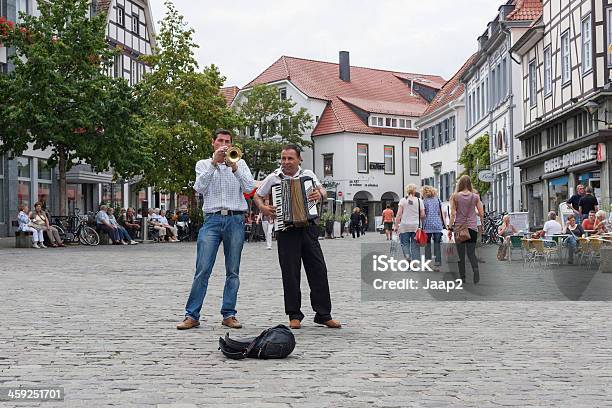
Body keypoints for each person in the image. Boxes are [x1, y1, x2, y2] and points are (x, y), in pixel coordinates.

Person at [254, 144, 341, 330]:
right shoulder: (273, 178)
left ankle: (323, 314)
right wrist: (262, 207)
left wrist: (320, 194)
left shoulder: (308, 175)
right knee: (290, 274)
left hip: (308, 228)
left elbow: (323, 191)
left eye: (290, 158)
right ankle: (294, 315)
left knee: (318, 270)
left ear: (299, 159)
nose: (286, 162)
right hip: (286, 230)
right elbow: (257, 196)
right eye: (283, 158)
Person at [177, 129, 255, 330]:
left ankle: (229, 314)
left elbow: (249, 189)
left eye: (228, 141)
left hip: (235, 219)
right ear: (213, 143)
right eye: (220, 141)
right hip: (211, 220)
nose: (224, 145)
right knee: (202, 269)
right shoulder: (203, 164)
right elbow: (199, 188)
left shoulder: (241, 163)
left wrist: (235, 167)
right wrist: (214, 163)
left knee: (233, 271)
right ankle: (191, 315)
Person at [449, 175, 484, 284]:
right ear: (469, 184)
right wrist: (482, 225)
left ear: (460, 184)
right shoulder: (475, 197)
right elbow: (481, 213)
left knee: (461, 254)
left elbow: (453, 214)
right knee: (471, 253)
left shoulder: (455, 196)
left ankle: (463, 277)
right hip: (472, 228)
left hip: (459, 228)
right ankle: (476, 270)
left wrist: (450, 228)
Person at [394, 184, 424, 262]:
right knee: (415, 245)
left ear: (407, 191)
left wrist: (396, 225)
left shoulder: (403, 200)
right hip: (415, 226)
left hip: (404, 226)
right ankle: (415, 262)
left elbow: (399, 214)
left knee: (404, 243)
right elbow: (423, 214)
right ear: (415, 191)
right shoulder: (419, 200)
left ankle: (407, 257)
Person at [421, 186, 444, 268]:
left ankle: (428, 264)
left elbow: (423, 214)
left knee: (427, 245)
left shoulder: (424, 201)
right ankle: (437, 263)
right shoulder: (438, 200)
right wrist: (443, 223)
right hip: (437, 225)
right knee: (437, 245)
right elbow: (440, 213)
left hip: (427, 225)